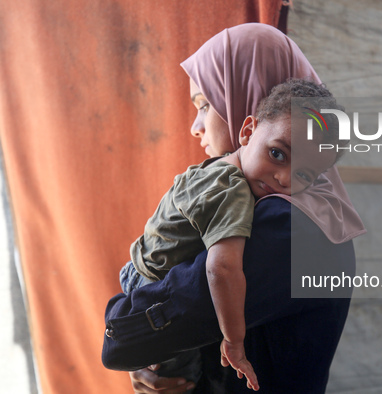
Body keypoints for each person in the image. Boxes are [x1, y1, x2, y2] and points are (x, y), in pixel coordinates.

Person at [102, 23, 366, 393]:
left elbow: (121, 342)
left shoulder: (286, 227)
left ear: (248, 105)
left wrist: (137, 336)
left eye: (206, 104)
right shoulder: (289, 209)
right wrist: (159, 362)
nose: (196, 127)